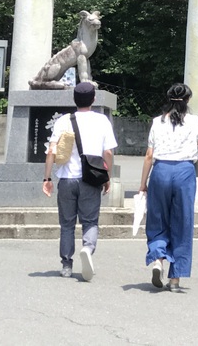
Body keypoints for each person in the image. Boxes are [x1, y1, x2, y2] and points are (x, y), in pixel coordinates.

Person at [138, 83, 198, 291]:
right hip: (184, 172)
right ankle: (175, 278)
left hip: (160, 171)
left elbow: (149, 155)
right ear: (188, 100)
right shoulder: (195, 121)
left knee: (158, 218)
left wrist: (143, 184)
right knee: (182, 222)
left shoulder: (157, 121)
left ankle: (158, 259)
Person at [42, 81, 117, 280]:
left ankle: (66, 265)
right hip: (91, 179)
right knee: (90, 221)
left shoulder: (63, 120)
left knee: (67, 224)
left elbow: (52, 151)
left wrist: (47, 177)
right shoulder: (102, 121)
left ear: (74, 99)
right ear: (93, 99)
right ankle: (87, 248)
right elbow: (108, 152)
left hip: (67, 178)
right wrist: (107, 176)